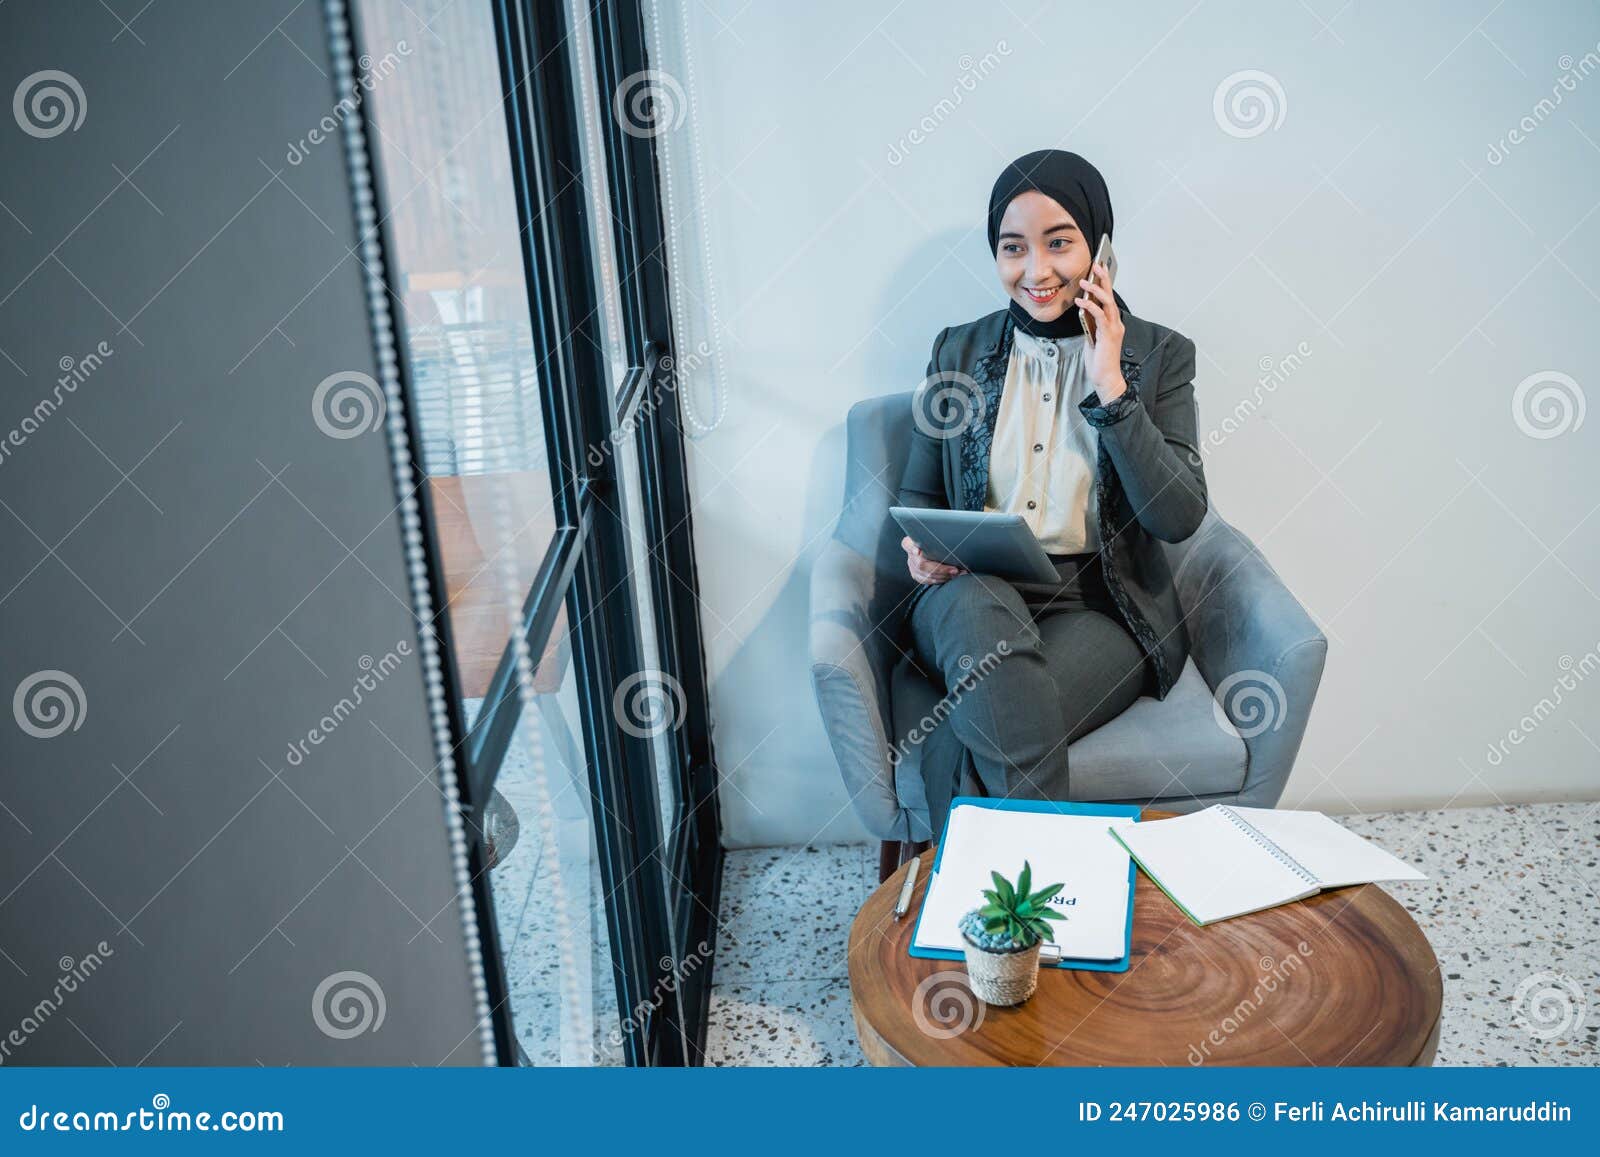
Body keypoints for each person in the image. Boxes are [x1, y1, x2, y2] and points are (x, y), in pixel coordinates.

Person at [897, 148, 1208, 835]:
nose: (1036, 271)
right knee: (980, 616)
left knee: (967, 731)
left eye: (1059, 243)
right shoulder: (956, 350)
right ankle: (1055, 898)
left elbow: (1177, 516)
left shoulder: (1158, 357)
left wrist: (1111, 387)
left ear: (1100, 247)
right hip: (970, 588)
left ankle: (980, 921)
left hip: (1100, 604)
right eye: (1014, 248)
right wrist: (923, 554)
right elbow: (918, 497)